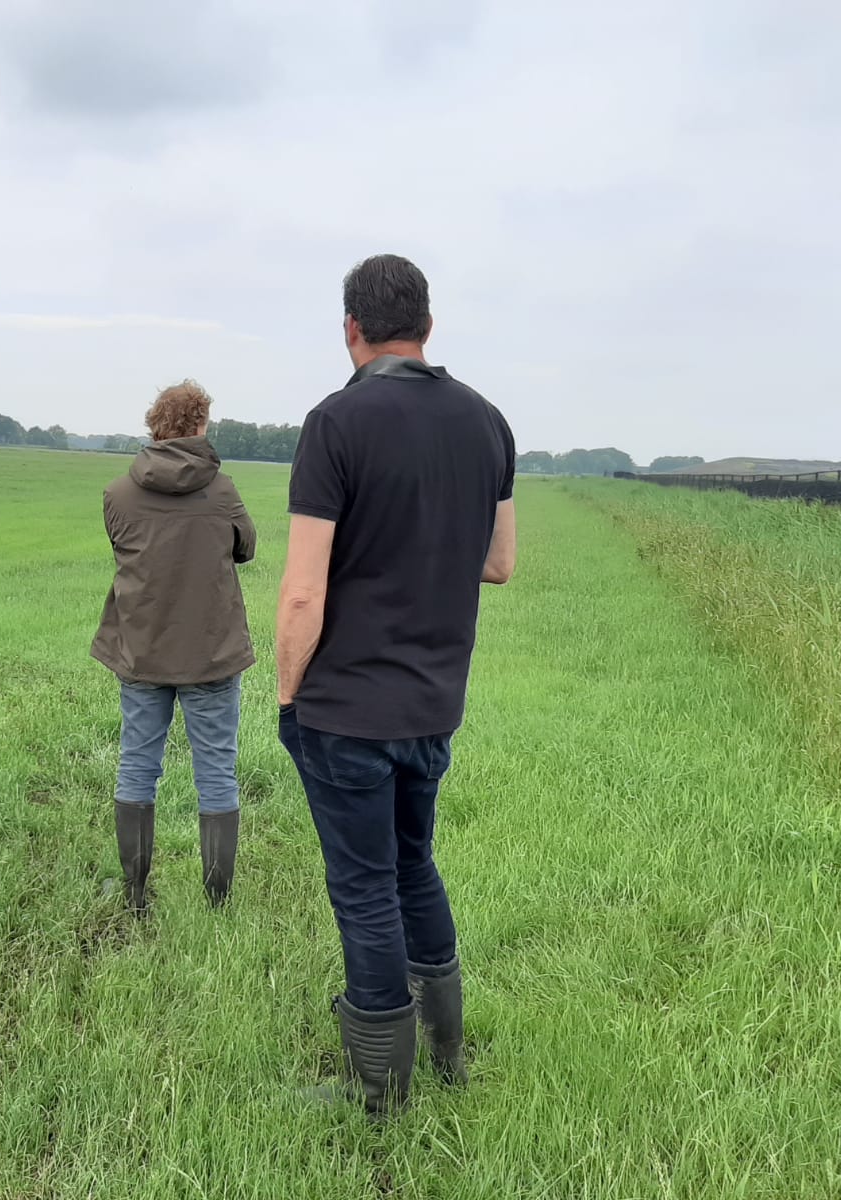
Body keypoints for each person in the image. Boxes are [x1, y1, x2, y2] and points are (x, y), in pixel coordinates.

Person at [275, 255, 516, 1116]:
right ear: (426, 326)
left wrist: (286, 694)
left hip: (347, 708)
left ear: (351, 329)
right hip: (433, 703)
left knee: (364, 887)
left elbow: (303, 589)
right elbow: (499, 561)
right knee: (414, 864)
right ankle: (446, 1055)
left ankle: (379, 1091)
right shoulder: (488, 423)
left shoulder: (336, 423)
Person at [92, 380, 257, 913]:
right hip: (211, 652)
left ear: (155, 426)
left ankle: (135, 894)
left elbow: (123, 546)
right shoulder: (223, 490)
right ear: (200, 425)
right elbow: (246, 548)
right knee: (216, 770)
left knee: (138, 765)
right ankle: (217, 901)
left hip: (142, 649)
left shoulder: (118, 492)